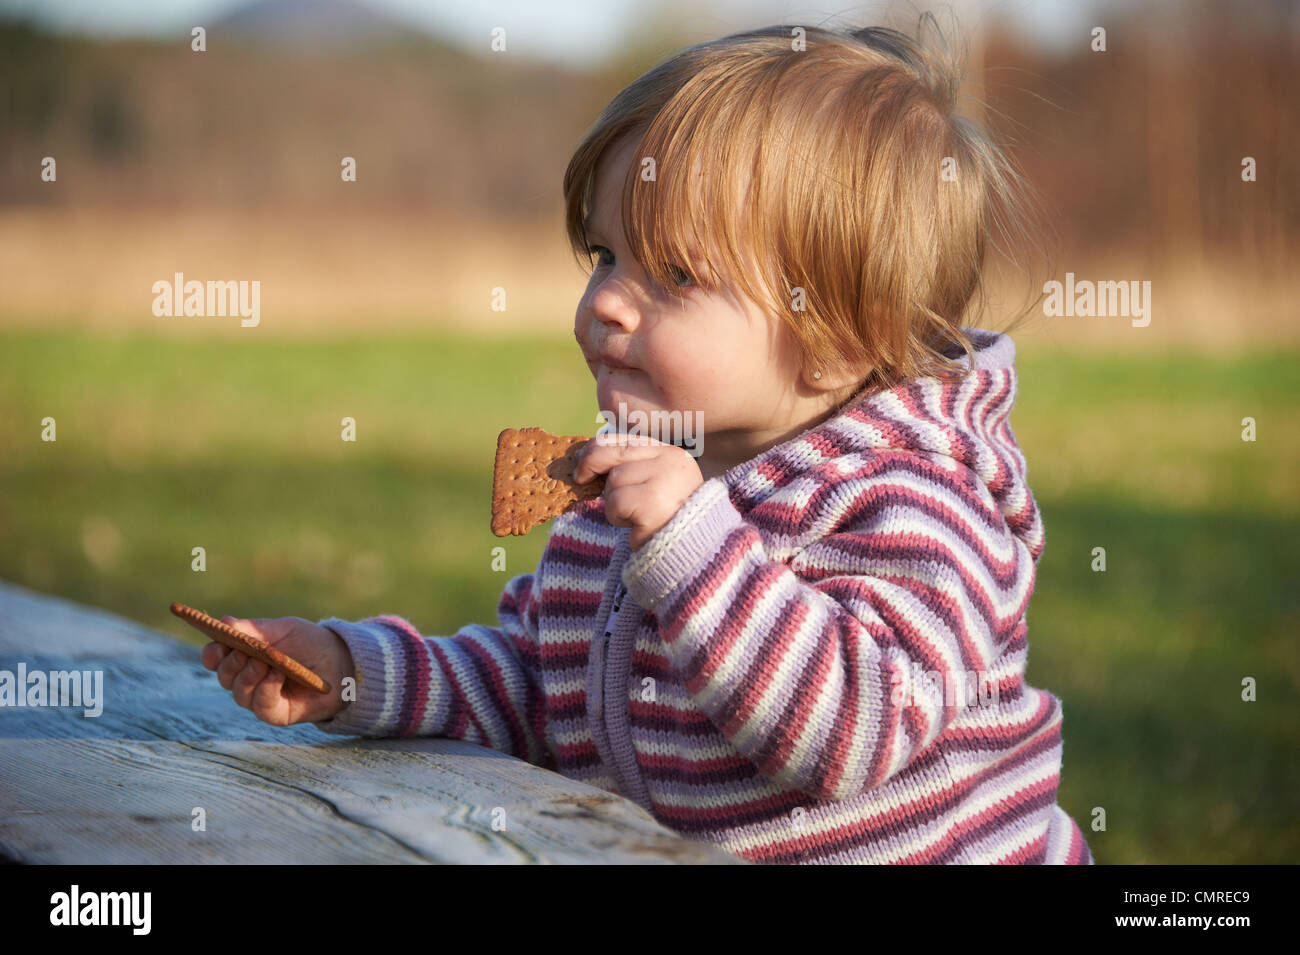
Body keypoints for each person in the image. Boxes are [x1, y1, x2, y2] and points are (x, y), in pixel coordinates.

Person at [203, 17, 1093, 864]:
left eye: (673, 272)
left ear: (834, 342)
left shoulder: (917, 503)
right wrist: (355, 673)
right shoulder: (626, 489)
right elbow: (534, 686)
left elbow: (854, 730)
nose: (606, 301)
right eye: (603, 254)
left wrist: (690, 542)